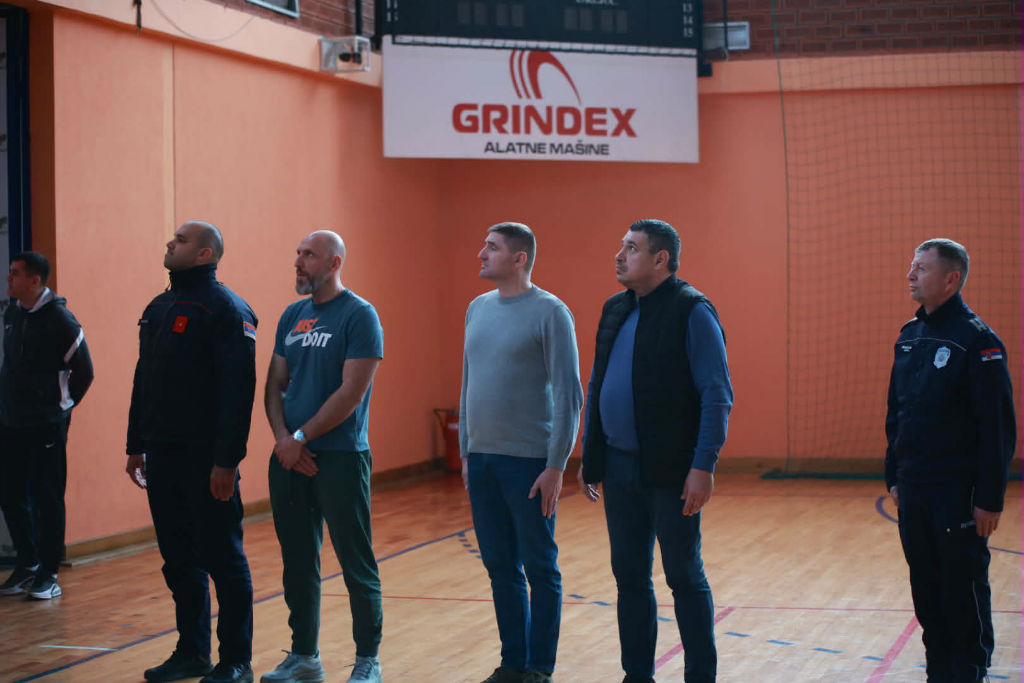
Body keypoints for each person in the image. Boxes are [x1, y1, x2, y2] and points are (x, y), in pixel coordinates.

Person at [578, 219, 733, 683]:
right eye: (621, 246)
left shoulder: (692, 310)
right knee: (629, 578)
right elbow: (597, 385)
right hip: (618, 468)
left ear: (660, 259)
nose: (619, 255)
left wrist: (703, 465)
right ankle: (637, 675)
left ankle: (700, 676)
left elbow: (716, 395)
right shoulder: (614, 309)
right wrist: (591, 454)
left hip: (672, 472)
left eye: (631, 248)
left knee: (683, 576)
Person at [126, 221, 258, 683]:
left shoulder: (227, 309)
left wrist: (227, 461)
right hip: (161, 455)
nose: (170, 243)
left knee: (223, 559)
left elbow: (238, 392)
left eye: (181, 240)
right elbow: (144, 380)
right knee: (179, 560)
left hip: (207, 459)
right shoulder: (157, 308)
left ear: (205, 254)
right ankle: (192, 652)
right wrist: (135, 444)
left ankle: (236, 660)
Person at [885, 238, 1016, 683]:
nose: (910, 275)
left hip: (956, 494)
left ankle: (969, 672)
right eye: (912, 266)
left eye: (921, 268)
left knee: (962, 592)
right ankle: (938, 672)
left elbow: (997, 427)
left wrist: (989, 499)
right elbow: (897, 412)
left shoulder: (978, 341)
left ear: (951, 279)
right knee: (926, 591)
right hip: (914, 489)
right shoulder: (909, 336)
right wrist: (894, 475)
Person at [460, 222, 584, 683]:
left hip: (530, 463)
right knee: (500, 567)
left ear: (519, 258)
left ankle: (538, 667)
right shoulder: (476, 308)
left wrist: (556, 466)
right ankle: (512, 663)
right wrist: (467, 453)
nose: (481, 253)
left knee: (539, 567)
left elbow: (569, 395)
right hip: (483, 460)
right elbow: (468, 382)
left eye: (491, 248)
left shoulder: (551, 312)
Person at [263, 230, 383, 683]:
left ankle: (368, 660)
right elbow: (274, 384)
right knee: (298, 561)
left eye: (309, 255)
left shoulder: (360, 315)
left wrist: (300, 436)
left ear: (334, 263)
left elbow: (351, 392)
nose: (298, 261)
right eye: (297, 254)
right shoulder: (292, 316)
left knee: (355, 561)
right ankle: (304, 657)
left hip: (340, 457)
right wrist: (284, 440)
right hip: (289, 457)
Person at [0, 251, 93, 600]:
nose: (9, 278)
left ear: (34, 280)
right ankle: (28, 564)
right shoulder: (13, 313)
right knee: (10, 493)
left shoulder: (61, 320)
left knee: (47, 497)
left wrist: (59, 409)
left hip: (47, 425)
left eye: (15, 273)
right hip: (12, 422)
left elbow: (84, 372)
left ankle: (49, 574)